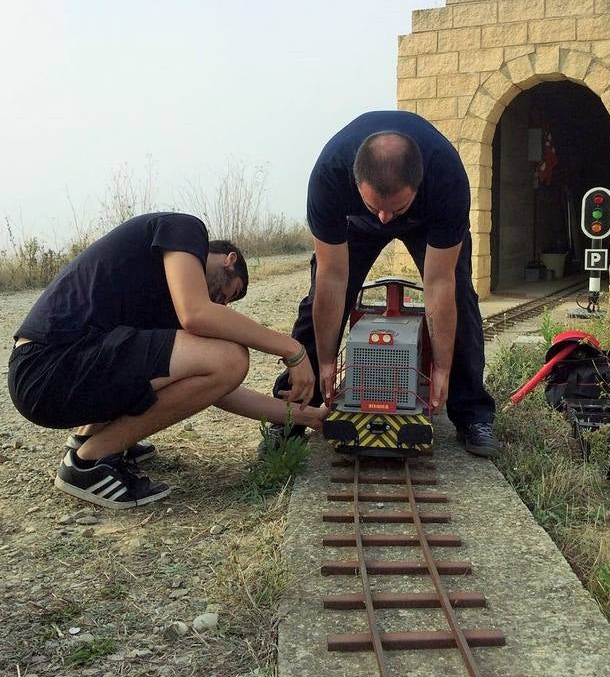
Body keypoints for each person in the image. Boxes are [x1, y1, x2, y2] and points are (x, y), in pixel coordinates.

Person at [7, 212, 323, 509]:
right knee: (231, 356)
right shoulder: (184, 229)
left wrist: (307, 417)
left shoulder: (169, 303)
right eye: (231, 293)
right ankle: (89, 463)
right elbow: (199, 317)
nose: (223, 303)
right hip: (46, 366)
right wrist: (292, 348)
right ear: (230, 260)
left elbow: (220, 389)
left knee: (224, 362)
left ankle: (88, 440)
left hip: (54, 377)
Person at [271, 110, 499, 457]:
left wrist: (442, 367)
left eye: (396, 208)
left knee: (461, 296)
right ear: (356, 181)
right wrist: (329, 360)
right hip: (353, 225)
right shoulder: (329, 176)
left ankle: (472, 414)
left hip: (426, 223)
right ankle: (295, 410)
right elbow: (333, 278)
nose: (385, 219)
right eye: (374, 206)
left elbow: (439, 284)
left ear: (418, 184)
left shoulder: (446, 177)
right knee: (318, 295)